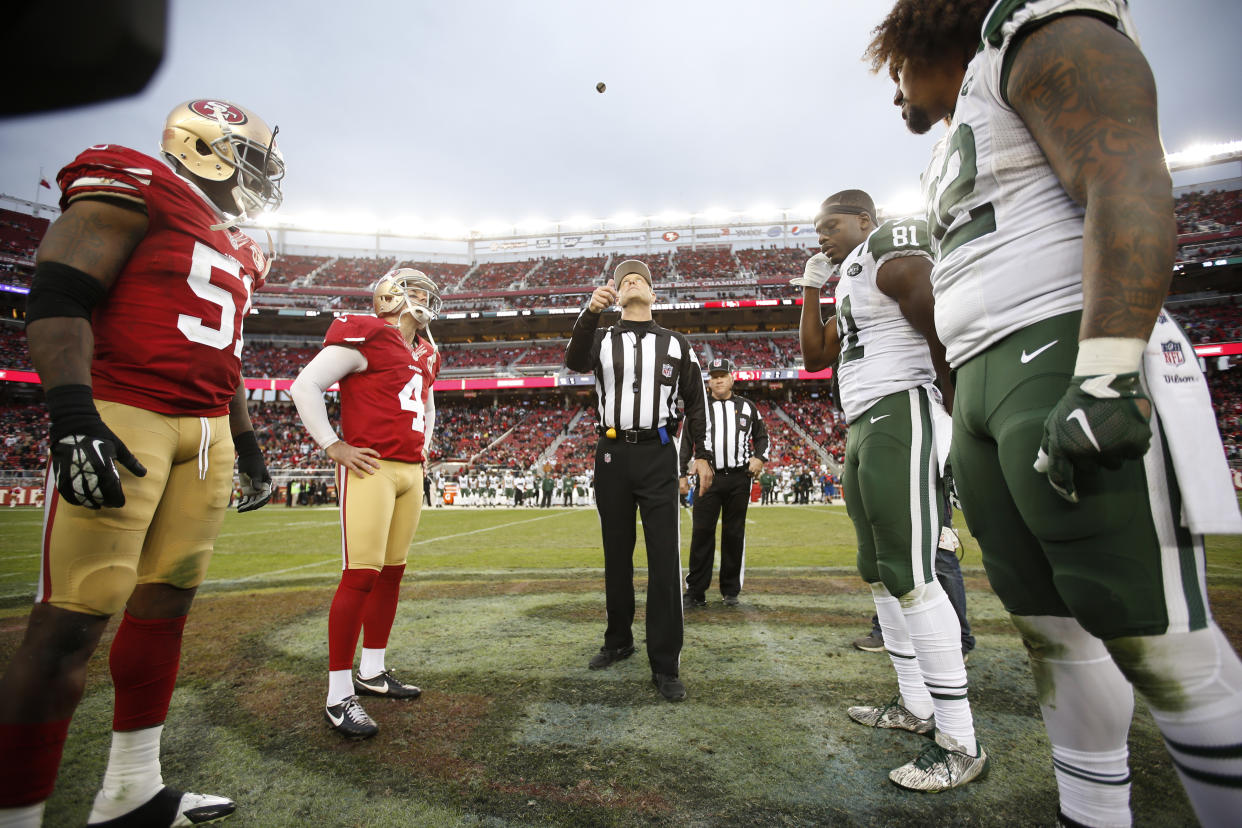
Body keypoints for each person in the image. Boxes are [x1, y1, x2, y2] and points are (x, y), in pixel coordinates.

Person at [868, 2, 1242, 824]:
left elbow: (1126, 169)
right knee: (1057, 641)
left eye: (894, 65)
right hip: (985, 381)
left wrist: (1108, 370)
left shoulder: (1023, 24)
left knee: (1161, 644)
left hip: (1060, 345)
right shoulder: (963, 117)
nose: (893, 88)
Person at [0, 98, 283, 827]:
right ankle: (17, 815)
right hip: (127, 413)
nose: (263, 176)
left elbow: (227, 354)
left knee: (165, 609)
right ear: (201, 148)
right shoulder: (132, 183)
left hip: (206, 432)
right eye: (251, 157)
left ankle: (130, 791)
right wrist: (69, 412)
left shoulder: (242, 243)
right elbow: (61, 294)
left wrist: (247, 443)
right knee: (70, 622)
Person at [796, 188, 985, 791]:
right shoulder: (851, 278)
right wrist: (810, 291)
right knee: (877, 567)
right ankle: (915, 705)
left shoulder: (886, 246)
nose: (821, 235)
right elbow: (812, 356)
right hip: (864, 418)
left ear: (865, 221)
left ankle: (959, 738)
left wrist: (954, 408)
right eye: (817, 227)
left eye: (831, 224)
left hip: (903, 406)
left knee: (911, 571)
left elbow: (932, 309)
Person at [290, 268, 442, 740]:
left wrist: (424, 450)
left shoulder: (428, 352)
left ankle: (372, 671)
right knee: (361, 575)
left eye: (425, 293)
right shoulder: (367, 332)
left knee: (393, 572)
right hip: (369, 469)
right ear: (389, 295)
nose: (421, 299)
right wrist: (332, 443)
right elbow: (304, 386)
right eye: (413, 291)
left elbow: (429, 404)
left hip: (408, 470)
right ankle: (338, 695)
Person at [565, 259, 714, 702]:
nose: (632, 281)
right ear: (614, 292)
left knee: (664, 557)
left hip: (658, 452)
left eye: (641, 280)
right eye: (624, 278)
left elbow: (697, 401)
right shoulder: (602, 337)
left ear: (653, 295)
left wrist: (701, 454)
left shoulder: (677, 344)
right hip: (611, 452)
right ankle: (618, 639)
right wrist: (589, 313)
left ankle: (665, 662)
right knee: (616, 552)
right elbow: (574, 361)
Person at [678, 357, 768, 608]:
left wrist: (759, 458)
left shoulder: (748, 407)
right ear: (708, 381)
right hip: (708, 478)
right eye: (714, 376)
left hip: (739, 477)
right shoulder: (698, 408)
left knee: (734, 532)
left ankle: (730, 590)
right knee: (702, 532)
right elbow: (685, 443)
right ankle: (696, 589)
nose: (718, 379)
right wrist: (682, 474)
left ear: (732, 378)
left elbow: (762, 437)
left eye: (723, 375)